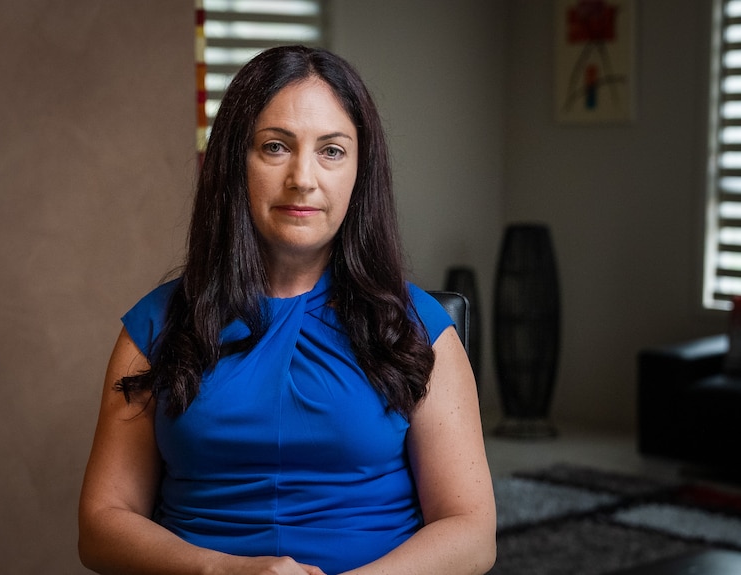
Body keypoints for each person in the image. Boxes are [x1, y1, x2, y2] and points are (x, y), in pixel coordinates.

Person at [78, 45, 496, 575]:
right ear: (235, 164)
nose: (303, 178)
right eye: (275, 147)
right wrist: (224, 572)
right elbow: (100, 526)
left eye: (332, 151)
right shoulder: (156, 326)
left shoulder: (419, 331)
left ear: (360, 172)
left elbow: (472, 534)